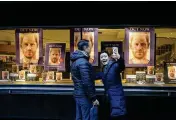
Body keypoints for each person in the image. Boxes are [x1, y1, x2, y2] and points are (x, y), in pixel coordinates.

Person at [70, 39, 99, 120]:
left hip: (78, 93)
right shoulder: (83, 62)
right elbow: (86, 82)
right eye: (90, 47)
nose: (90, 49)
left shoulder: (75, 61)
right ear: (85, 48)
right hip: (84, 96)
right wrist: (93, 98)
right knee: (86, 117)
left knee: (79, 117)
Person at [96, 49, 127, 120]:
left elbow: (121, 67)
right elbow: (97, 75)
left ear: (109, 57)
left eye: (105, 56)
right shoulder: (104, 68)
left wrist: (119, 58)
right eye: (101, 57)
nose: (103, 58)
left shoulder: (114, 65)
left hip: (117, 97)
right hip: (109, 97)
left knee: (118, 116)